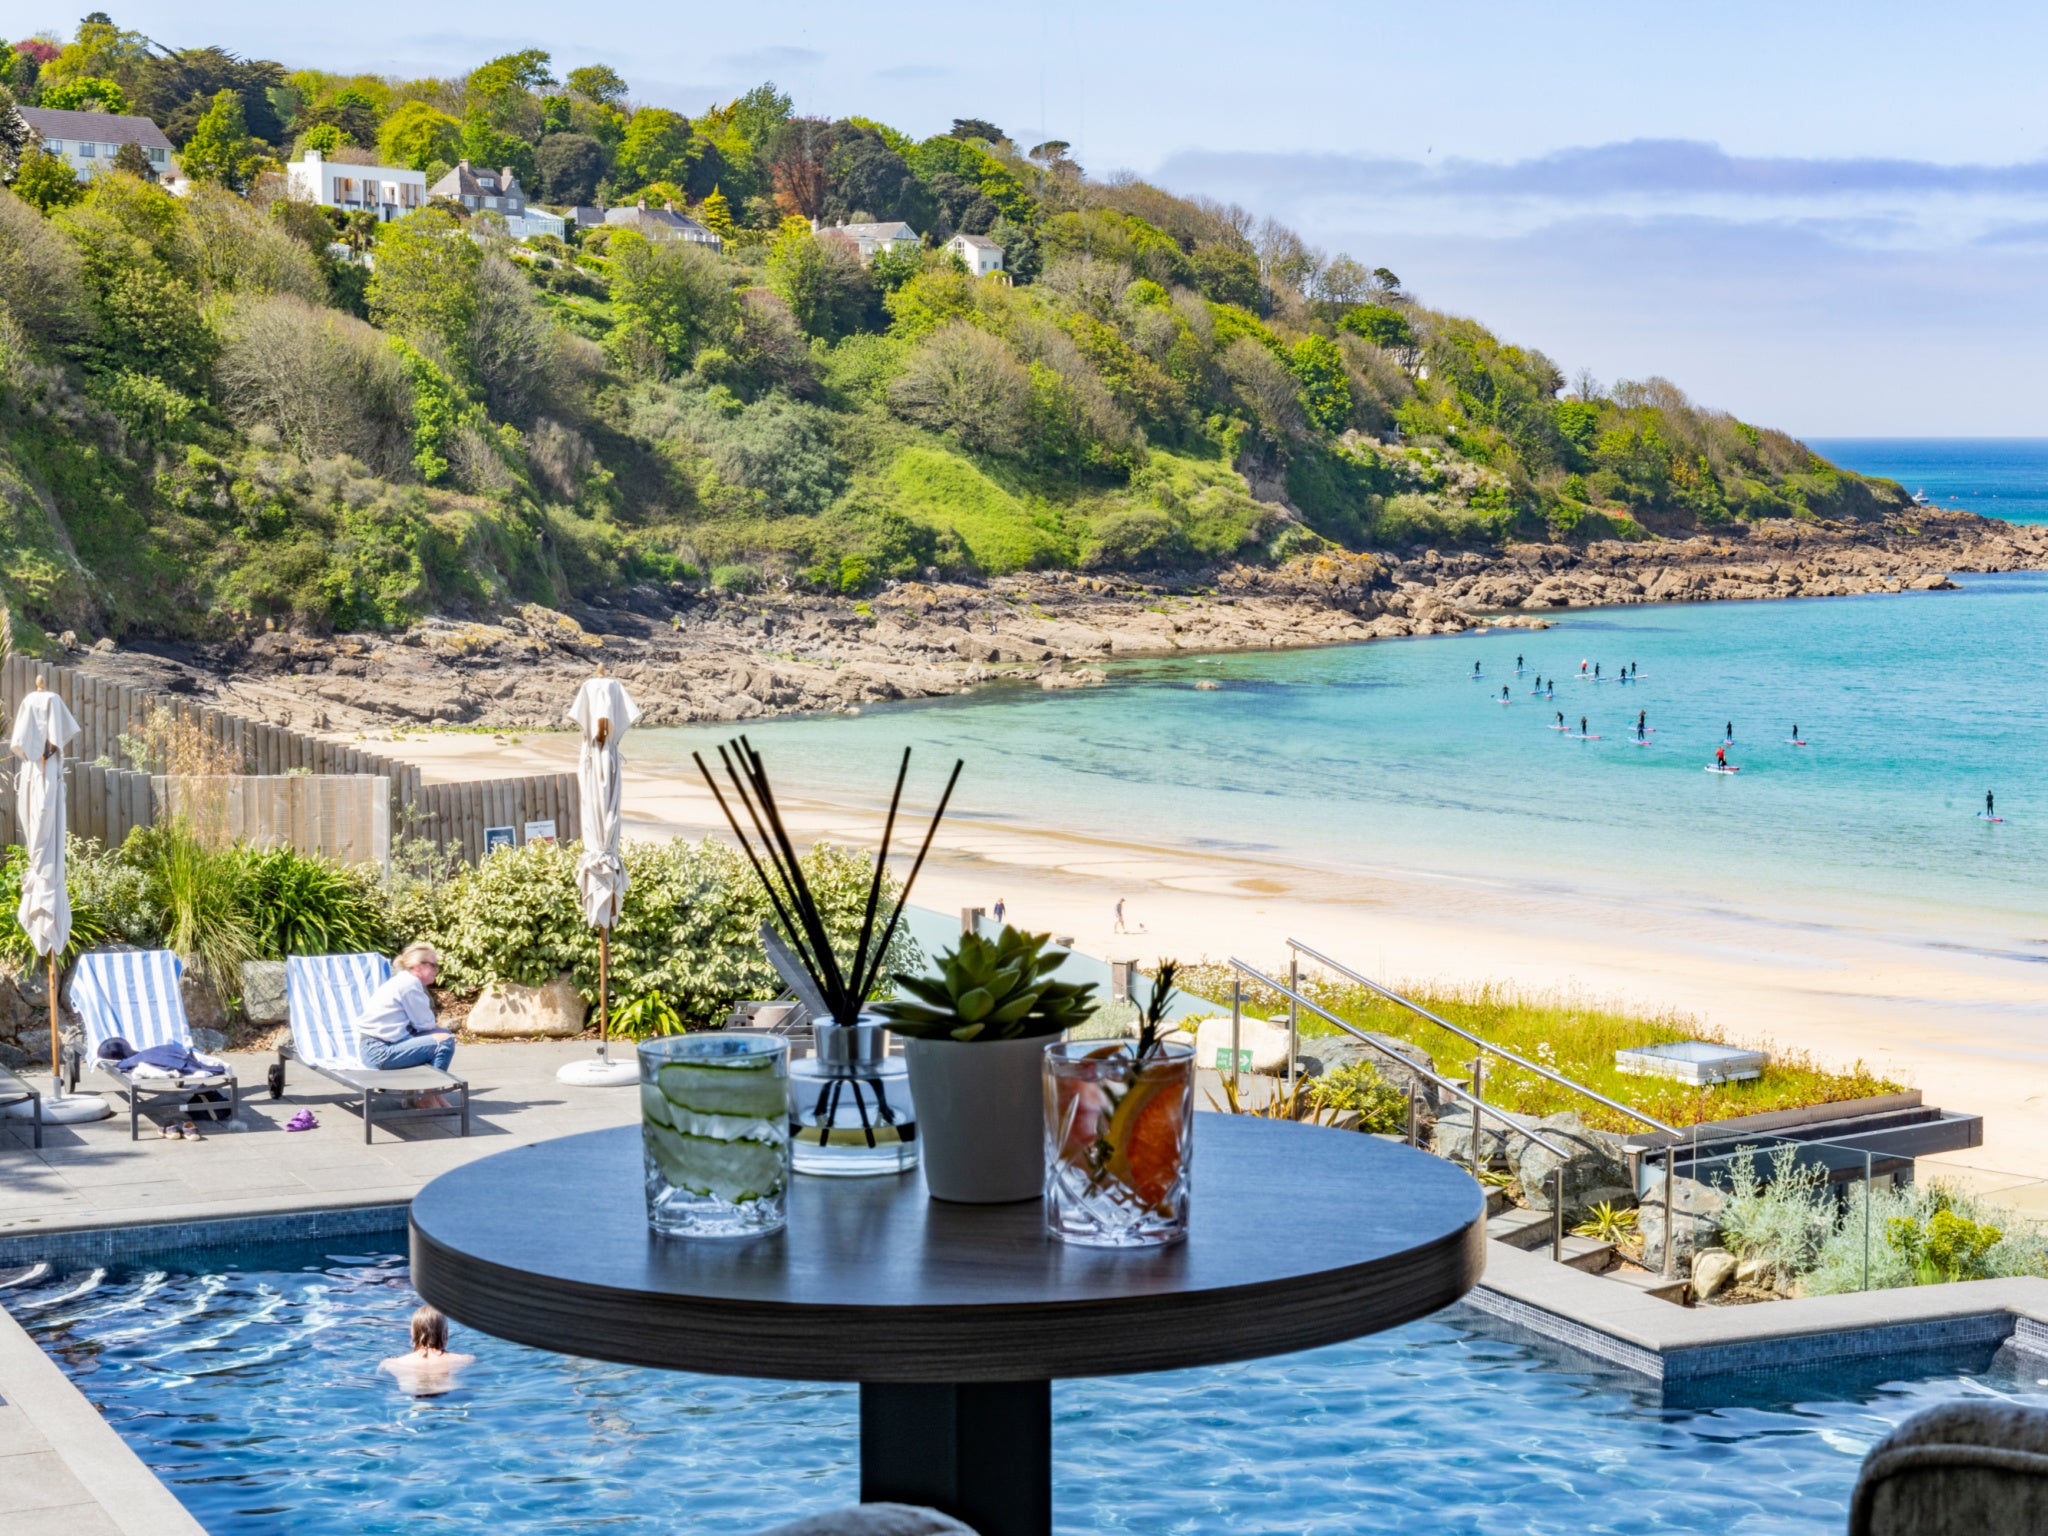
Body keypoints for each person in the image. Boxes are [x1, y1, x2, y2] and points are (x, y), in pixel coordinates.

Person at [356, 943, 456, 1103]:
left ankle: (424, 1095)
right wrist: (439, 1033)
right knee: (444, 1041)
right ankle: (428, 1098)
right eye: (434, 965)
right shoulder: (410, 985)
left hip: (373, 1047)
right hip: (380, 1052)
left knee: (442, 1036)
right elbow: (425, 1024)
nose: (437, 970)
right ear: (418, 966)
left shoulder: (402, 981)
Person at [380, 1304, 474, 1397]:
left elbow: (384, 1389)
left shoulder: (391, 1364)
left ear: (412, 1333)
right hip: (451, 1397)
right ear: (446, 1332)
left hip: (410, 1400)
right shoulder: (466, 1360)